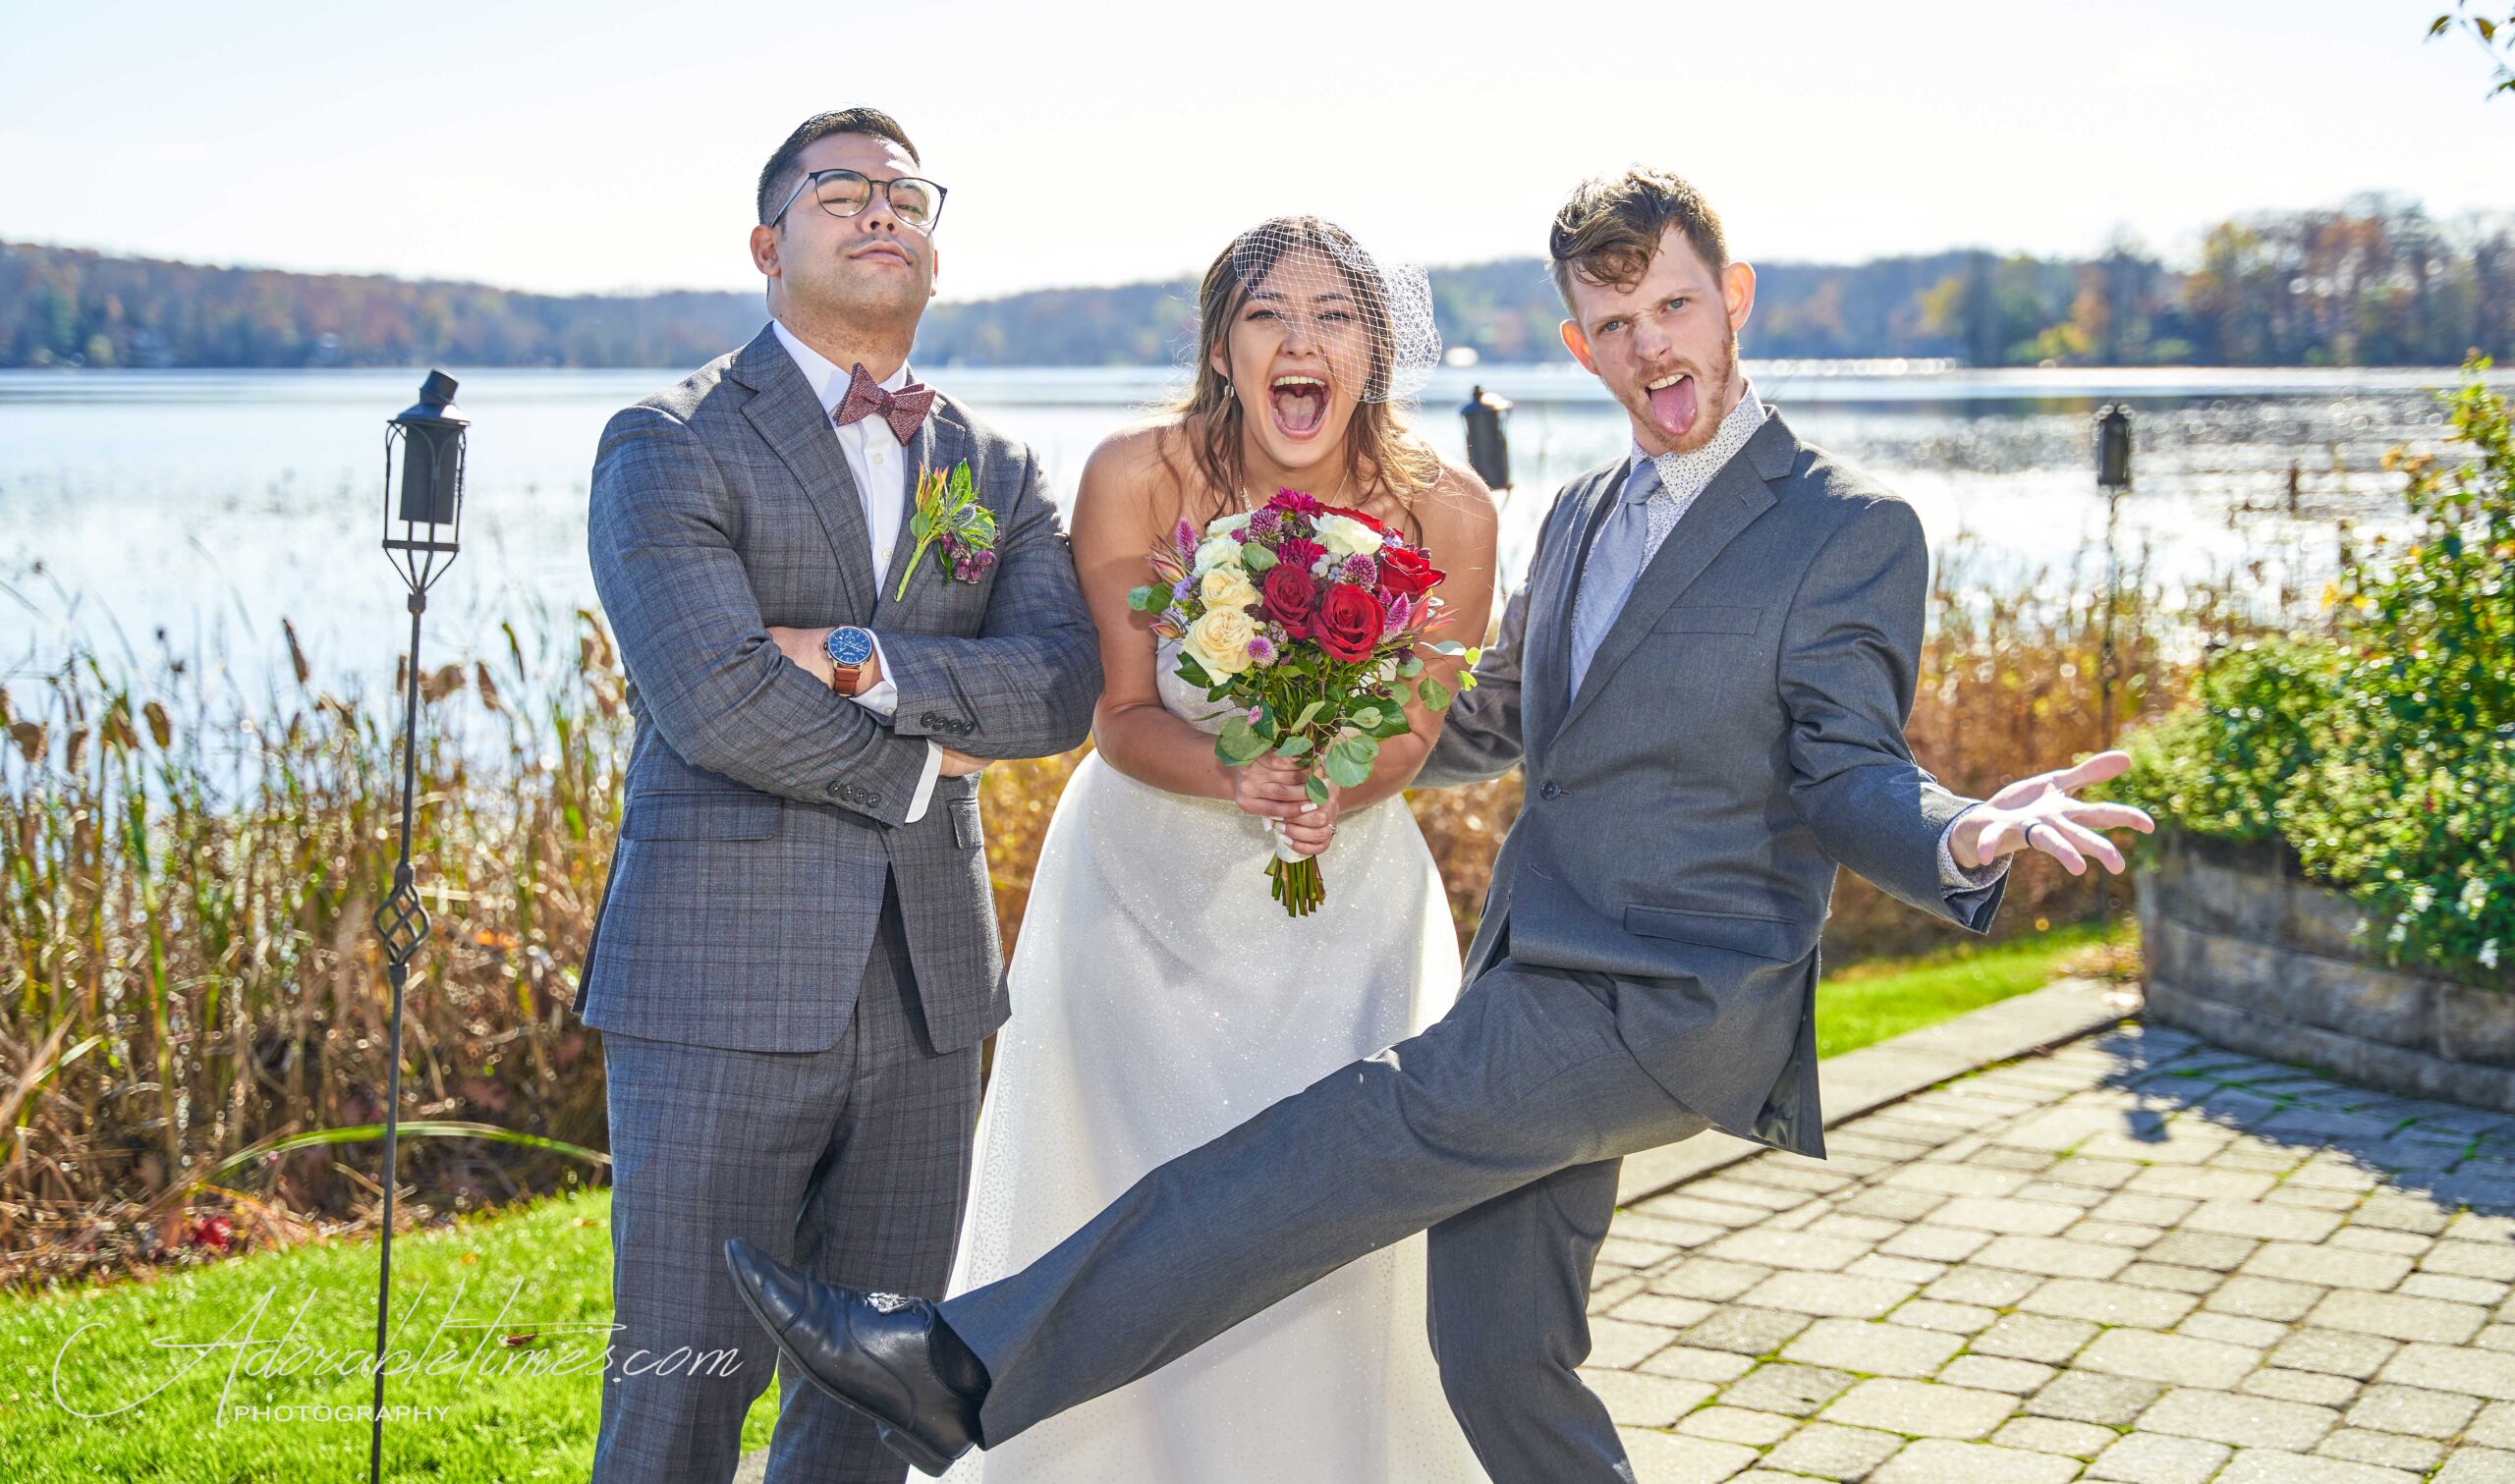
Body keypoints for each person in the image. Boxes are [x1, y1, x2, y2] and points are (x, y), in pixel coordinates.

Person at [725, 166, 2153, 1484]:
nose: (1651, 347)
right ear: (1579, 343)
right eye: (1614, 323)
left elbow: (1849, 771)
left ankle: (959, 1367)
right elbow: (1486, 718)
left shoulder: (1847, 524)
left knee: (1337, 1145)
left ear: (1735, 298)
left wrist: (1959, 831)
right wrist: (1318, 720)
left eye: (1673, 306)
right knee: (1497, 1358)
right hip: (1537, 971)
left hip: (1669, 995)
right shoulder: (1583, 511)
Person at [895, 216, 1498, 1484]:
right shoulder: (1137, 475)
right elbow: (1121, 714)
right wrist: (1237, 770)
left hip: (1347, 910)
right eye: (1267, 313)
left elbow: (1414, 730)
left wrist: (1330, 785)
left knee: (1336, 1228)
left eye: (1334, 315)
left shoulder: (1449, 508)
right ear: (1222, 348)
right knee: (1124, 1194)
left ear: (1376, 350)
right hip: (1140, 908)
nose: (1300, 339)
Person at [579, 106, 1099, 1484]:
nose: (881, 210)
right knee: (680, 1393)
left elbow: (1060, 686)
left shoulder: (995, 466)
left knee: (875, 1406)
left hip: (929, 997)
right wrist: (929, 754)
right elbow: (717, 699)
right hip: (716, 988)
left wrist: (861, 659)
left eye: (907, 196)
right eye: (839, 191)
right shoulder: (667, 440)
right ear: (766, 246)